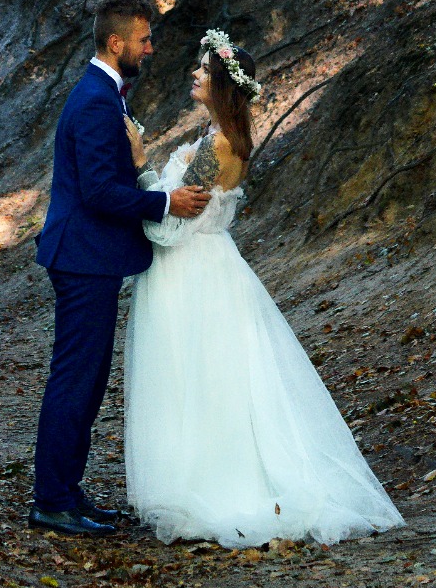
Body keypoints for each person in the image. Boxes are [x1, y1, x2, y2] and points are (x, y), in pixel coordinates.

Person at [123, 27, 404, 546]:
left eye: (203, 69)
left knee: (202, 378)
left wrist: (140, 167)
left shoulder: (222, 144)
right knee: (211, 377)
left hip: (193, 271)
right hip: (204, 266)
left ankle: (214, 487)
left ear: (223, 85)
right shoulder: (217, 139)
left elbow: (172, 222)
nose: (194, 73)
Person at [30, 0, 210, 536]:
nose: (150, 48)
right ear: (116, 42)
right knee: (75, 379)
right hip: (82, 257)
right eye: (143, 39)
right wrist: (164, 202)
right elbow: (99, 192)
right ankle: (52, 500)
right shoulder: (93, 101)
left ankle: (67, 492)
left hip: (92, 256)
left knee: (87, 379)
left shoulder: (105, 95)